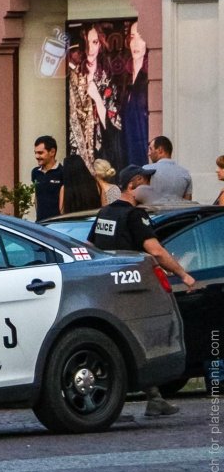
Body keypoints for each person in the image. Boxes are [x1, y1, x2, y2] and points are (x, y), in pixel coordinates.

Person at [87, 164, 196, 417]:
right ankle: (132, 401)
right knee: (139, 339)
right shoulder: (134, 216)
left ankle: (145, 399)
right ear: (133, 185)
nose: (151, 187)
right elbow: (155, 250)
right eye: (146, 181)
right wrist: (184, 274)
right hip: (131, 285)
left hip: (105, 284)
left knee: (121, 340)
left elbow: (89, 244)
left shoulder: (105, 213)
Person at [68, 22, 123, 173]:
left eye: (94, 42)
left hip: (102, 147)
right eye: (87, 43)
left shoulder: (107, 77)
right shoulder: (74, 75)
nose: (90, 49)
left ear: (100, 44)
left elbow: (114, 122)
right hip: (79, 148)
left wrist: (98, 99)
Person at [121, 21, 149, 168]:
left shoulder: (149, 76)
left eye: (141, 37)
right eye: (132, 37)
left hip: (144, 151)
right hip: (129, 151)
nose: (136, 43)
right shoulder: (125, 76)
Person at [137, 136, 193, 204]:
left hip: (152, 213)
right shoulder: (185, 174)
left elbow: (138, 198)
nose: (148, 154)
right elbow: (187, 203)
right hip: (176, 214)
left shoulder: (145, 170)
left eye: (151, 149)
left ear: (160, 150)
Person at [31, 135, 63, 221]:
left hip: (57, 224)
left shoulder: (62, 172)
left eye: (40, 153)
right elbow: (36, 197)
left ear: (52, 152)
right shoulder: (35, 172)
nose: (37, 156)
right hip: (40, 223)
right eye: (35, 153)